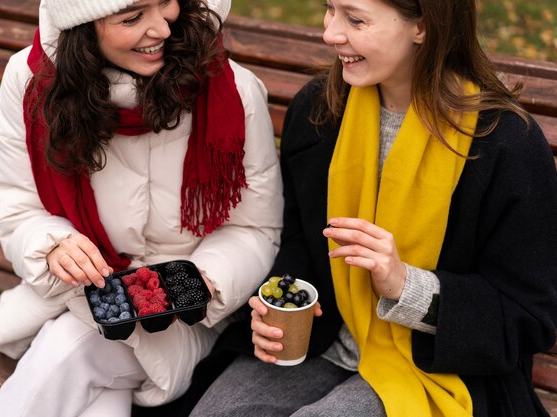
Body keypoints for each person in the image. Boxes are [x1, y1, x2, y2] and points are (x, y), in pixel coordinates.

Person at [189, 0, 557, 416]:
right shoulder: (319, 110)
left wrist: (406, 285)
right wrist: (280, 298)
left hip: (440, 368)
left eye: (355, 19)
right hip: (324, 344)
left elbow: (529, 318)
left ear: (422, 25)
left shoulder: (506, 145)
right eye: (330, 9)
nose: (330, 33)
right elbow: (298, 241)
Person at [0, 0, 283, 415]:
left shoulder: (230, 90)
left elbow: (255, 229)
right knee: (95, 391)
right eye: (132, 17)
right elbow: (19, 208)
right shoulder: (31, 81)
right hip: (77, 296)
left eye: (164, 3)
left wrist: (204, 281)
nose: (161, 28)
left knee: (69, 350)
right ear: (83, 31)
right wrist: (52, 245)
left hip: (188, 319)